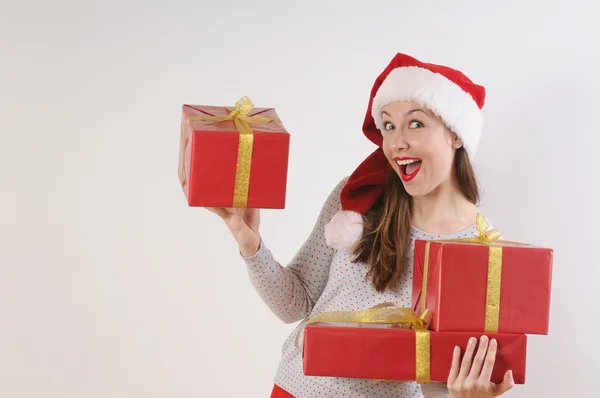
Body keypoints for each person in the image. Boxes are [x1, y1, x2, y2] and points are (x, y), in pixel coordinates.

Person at [207, 53, 515, 398]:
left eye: (415, 123)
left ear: (456, 134)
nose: (397, 142)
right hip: (297, 390)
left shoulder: (482, 248)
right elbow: (295, 305)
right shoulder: (357, 197)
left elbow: (439, 377)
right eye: (388, 125)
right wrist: (249, 243)